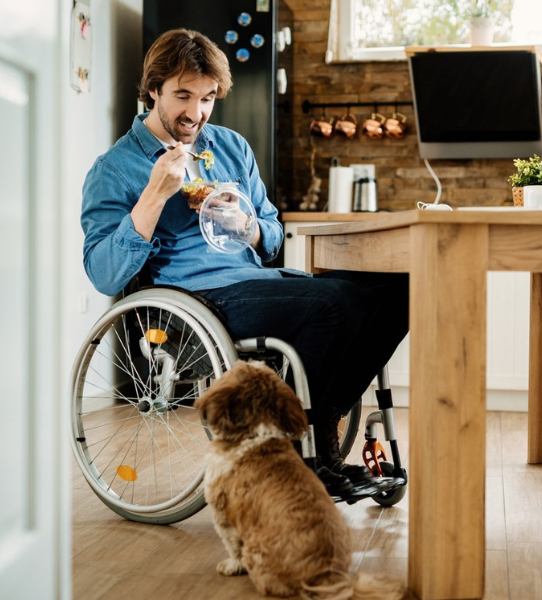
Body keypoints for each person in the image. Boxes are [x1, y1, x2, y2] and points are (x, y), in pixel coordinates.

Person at [81, 29, 409, 495]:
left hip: (257, 281)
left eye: (208, 97)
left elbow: (272, 236)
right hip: (194, 301)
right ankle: (307, 453)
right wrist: (154, 195)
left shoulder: (232, 147)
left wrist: (246, 225)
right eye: (182, 96)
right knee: (333, 302)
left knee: (397, 290)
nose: (195, 113)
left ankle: (320, 418)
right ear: (153, 90)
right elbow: (103, 272)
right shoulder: (114, 169)